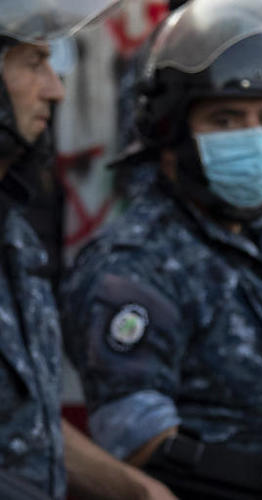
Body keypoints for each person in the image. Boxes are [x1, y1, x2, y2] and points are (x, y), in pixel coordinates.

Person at [60, 1, 262, 498]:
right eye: (226, 120)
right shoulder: (132, 266)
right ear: (172, 131)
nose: (253, 138)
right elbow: (140, 446)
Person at [0, 1, 176, 498]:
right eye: (34, 64)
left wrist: (134, 490)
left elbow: (25, 427)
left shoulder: (16, 235)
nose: (56, 89)